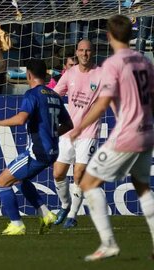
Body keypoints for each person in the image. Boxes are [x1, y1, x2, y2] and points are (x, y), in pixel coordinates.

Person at [70, 14, 154, 262]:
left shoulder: (113, 64)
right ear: (131, 35)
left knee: (87, 183)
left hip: (127, 135)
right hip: (148, 133)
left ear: (108, 36)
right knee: (143, 188)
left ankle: (108, 244)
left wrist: (78, 127)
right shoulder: (144, 60)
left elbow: (102, 103)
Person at [0, 59, 73, 235]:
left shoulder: (32, 94)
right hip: (52, 151)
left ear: (29, 75)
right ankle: (46, 214)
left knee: (2, 182)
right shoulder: (54, 95)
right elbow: (69, 124)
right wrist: (51, 132)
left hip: (37, 151)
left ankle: (16, 224)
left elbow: (20, 119)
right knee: (19, 179)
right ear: (46, 75)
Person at [51, 40, 101, 229]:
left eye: (88, 50)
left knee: (79, 173)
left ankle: (72, 216)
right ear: (77, 53)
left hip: (89, 132)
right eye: (81, 50)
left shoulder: (101, 74)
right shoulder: (69, 74)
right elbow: (55, 95)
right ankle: (65, 205)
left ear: (92, 52)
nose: (84, 54)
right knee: (58, 173)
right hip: (68, 131)